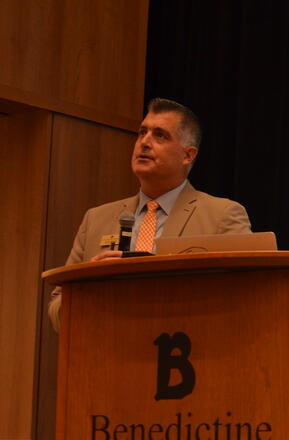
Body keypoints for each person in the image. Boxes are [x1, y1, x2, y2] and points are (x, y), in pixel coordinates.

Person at [48, 98, 251, 331]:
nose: (144, 142)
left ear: (188, 155)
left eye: (160, 135)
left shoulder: (222, 216)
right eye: (142, 132)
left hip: (182, 347)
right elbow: (57, 307)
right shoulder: (96, 219)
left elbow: (245, 298)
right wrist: (89, 285)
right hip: (106, 347)